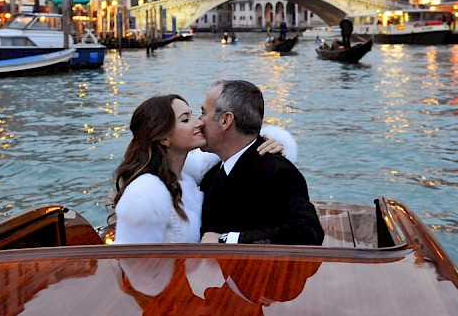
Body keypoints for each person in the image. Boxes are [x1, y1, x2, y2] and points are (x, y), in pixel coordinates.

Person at [112, 94, 296, 244]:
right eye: (186, 119)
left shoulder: (189, 178)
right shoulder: (146, 193)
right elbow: (136, 267)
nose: (198, 122)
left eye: (194, 114)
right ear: (164, 138)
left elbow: (235, 150)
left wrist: (264, 144)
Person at [198, 80, 324, 245]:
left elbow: (308, 233)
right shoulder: (212, 173)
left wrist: (227, 239)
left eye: (203, 113)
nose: (199, 121)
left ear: (225, 121)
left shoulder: (278, 172)